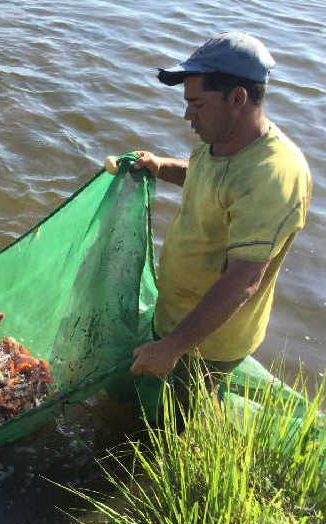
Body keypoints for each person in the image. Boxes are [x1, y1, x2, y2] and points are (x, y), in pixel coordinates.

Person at [128, 32, 312, 408]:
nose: (186, 115)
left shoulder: (272, 175)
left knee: (181, 418)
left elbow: (243, 281)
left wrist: (172, 348)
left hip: (206, 341)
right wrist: (161, 166)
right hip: (176, 316)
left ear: (238, 98)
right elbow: (204, 178)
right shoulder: (219, 139)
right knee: (159, 403)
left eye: (196, 104)